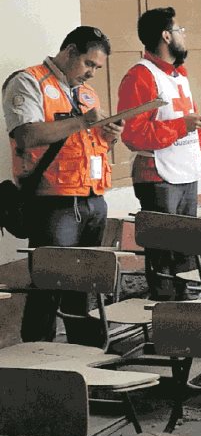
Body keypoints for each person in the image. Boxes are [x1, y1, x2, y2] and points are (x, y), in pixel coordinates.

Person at [2, 26, 122, 342]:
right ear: (69, 52)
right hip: (53, 202)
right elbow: (25, 135)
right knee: (49, 286)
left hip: (93, 199)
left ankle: (82, 361)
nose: (92, 73)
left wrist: (108, 137)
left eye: (97, 67)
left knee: (83, 286)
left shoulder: (85, 93)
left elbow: (88, 146)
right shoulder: (28, 81)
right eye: (89, 64)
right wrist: (84, 121)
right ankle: (37, 363)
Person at [117, 7, 201, 301]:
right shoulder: (139, 76)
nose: (184, 35)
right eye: (180, 29)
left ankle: (186, 318)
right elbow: (133, 135)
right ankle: (165, 319)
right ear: (166, 36)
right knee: (163, 256)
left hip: (186, 173)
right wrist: (182, 127)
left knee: (186, 252)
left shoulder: (178, 75)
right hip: (157, 176)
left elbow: (193, 121)